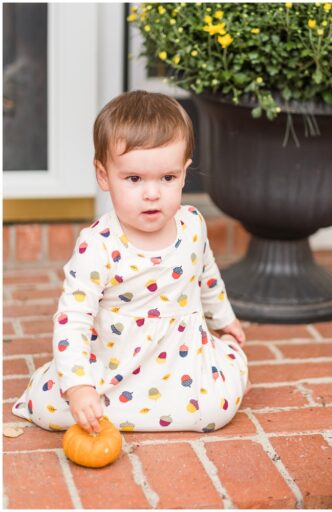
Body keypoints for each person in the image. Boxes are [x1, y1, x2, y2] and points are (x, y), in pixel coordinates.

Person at [12, 91, 248, 433]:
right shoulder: (98, 245)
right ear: (104, 176)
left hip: (181, 361)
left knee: (214, 410)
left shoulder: (192, 224)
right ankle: (94, 399)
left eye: (167, 178)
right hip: (113, 363)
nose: (152, 193)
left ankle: (229, 361)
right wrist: (79, 387)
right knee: (49, 408)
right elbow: (74, 318)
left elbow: (207, 275)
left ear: (183, 174)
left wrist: (224, 320)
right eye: (134, 179)